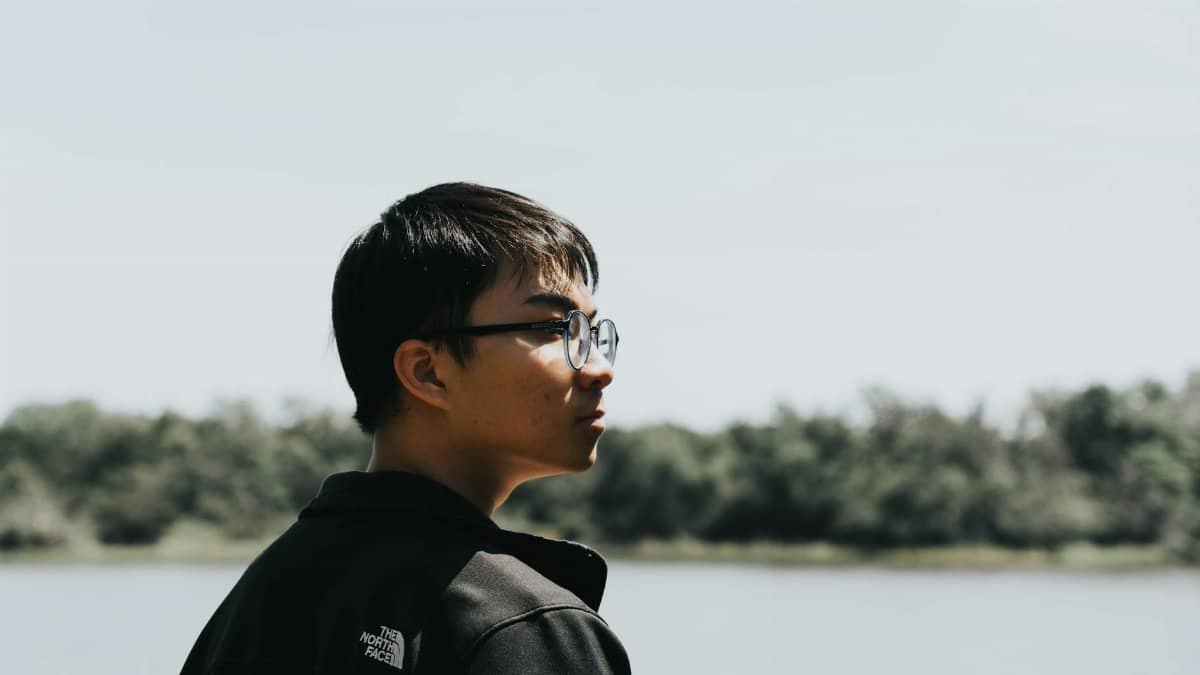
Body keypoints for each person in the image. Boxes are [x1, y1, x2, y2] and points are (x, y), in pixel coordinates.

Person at [181, 183, 629, 674]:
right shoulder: (519, 629)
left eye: (590, 331)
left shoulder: (264, 591)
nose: (598, 367)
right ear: (427, 372)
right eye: (553, 328)